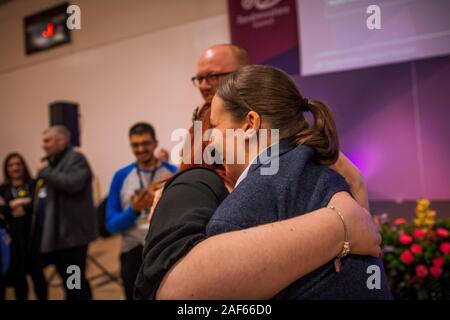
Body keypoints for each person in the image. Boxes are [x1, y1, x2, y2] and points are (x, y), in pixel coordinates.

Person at [202, 65, 392, 299]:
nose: (209, 141)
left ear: (250, 125)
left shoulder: (235, 218)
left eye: (214, 127)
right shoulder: (321, 172)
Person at [106, 122, 176, 300]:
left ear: (155, 143)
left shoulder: (173, 173)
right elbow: (111, 226)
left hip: (164, 250)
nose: (141, 149)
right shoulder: (121, 176)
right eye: (135, 145)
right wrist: (133, 211)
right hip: (131, 252)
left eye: (145, 143)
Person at [37, 125, 97, 300]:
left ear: (61, 139)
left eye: (47, 140)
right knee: (68, 282)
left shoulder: (76, 159)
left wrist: (45, 172)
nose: (44, 145)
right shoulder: (53, 162)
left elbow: (73, 183)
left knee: (75, 282)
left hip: (73, 238)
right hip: (59, 238)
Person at [0, 153, 35, 300]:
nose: (15, 168)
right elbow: (2, 210)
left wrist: (12, 204)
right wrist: (19, 203)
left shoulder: (33, 184)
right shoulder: (3, 188)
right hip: (11, 240)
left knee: (37, 275)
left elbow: (36, 205)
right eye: (11, 165)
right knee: (18, 277)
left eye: (18, 164)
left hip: (33, 238)